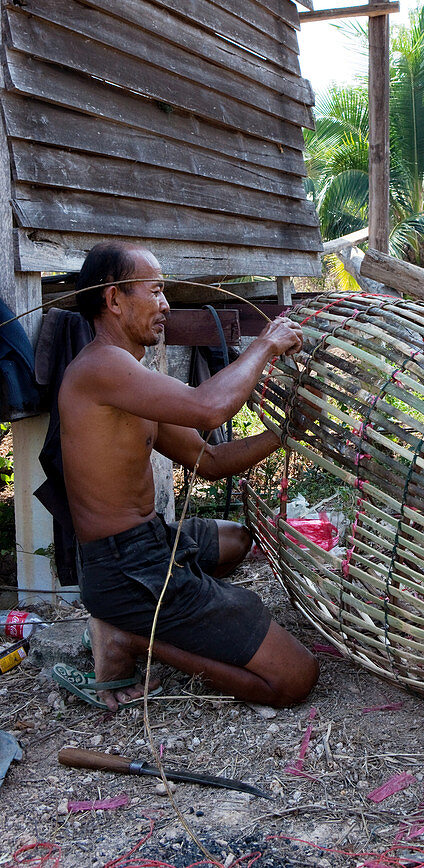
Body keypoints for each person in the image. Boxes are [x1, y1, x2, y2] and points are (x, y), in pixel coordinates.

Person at [56, 241, 319, 712]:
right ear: (114, 299)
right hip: (125, 569)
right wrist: (264, 344)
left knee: (236, 539)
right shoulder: (101, 367)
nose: (165, 305)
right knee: (296, 677)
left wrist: (286, 433)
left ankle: (164, 618)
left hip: (147, 543)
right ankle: (129, 638)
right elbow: (208, 407)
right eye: (155, 291)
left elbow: (210, 462)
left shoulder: (129, 378)